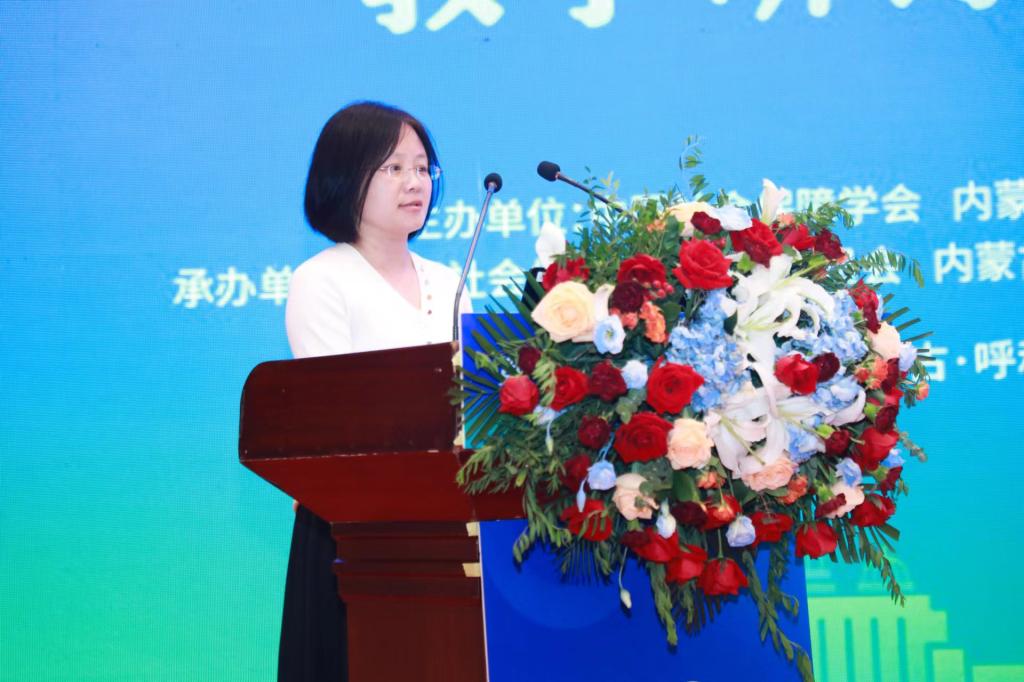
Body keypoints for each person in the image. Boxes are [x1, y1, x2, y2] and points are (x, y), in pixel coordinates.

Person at [279, 101, 471, 681]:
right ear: (345, 177)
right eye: (394, 168)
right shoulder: (322, 279)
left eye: (423, 168)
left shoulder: (450, 280)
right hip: (354, 532)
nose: (415, 182)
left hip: (448, 523)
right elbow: (337, 412)